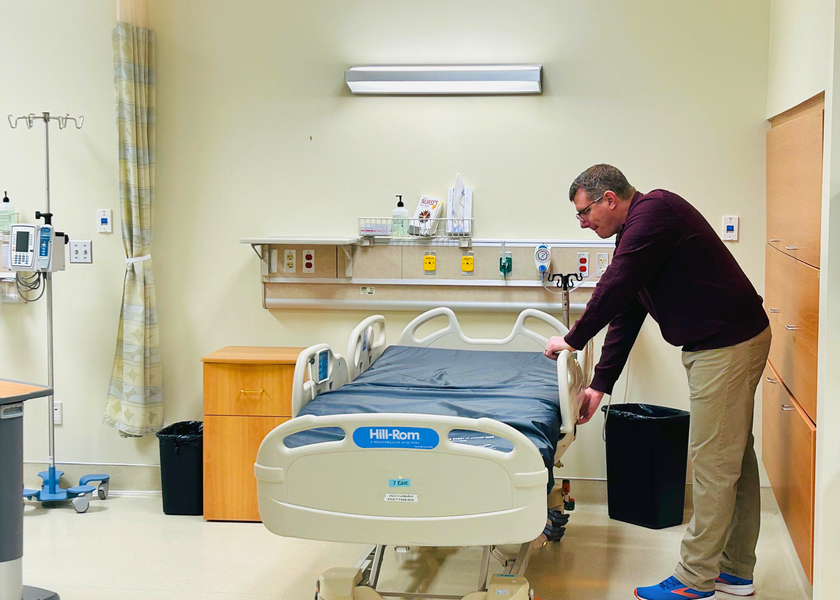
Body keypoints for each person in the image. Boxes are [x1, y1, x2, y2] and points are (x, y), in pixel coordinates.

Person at [545, 164, 771, 600]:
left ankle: (695, 579)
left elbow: (613, 288)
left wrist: (572, 340)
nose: (582, 222)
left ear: (610, 198)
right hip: (725, 341)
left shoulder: (654, 215)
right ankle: (736, 571)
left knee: (712, 465)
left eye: (584, 212)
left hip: (726, 346)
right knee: (733, 459)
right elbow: (628, 308)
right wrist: (599, 384)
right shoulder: (638, 229)